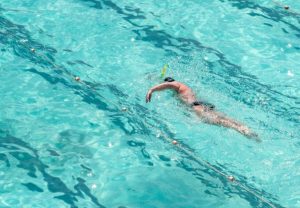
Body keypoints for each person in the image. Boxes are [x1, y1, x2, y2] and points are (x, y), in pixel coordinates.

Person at [146, 77, 259, 140]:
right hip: (202, 104)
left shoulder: (176, 84)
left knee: (217, 121)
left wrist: (152, 90)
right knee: (223, 117)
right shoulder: (183, 88)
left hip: (197, 107)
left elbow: (167, 85)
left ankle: (240, 130)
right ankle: (244, 127)